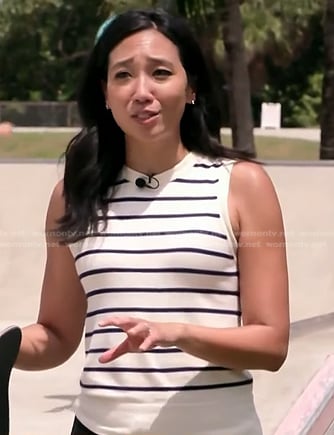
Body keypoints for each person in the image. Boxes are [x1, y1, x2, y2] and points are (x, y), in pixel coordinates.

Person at [14, 8, 289, 435]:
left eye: (160, 73)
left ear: (191, 86)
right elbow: (56, 336)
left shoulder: (241, 185)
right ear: (104, 93)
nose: (141, 91)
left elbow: (271, 343)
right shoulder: (74, 195)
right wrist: (6, 342)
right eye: (123, 76)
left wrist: (176, 332)